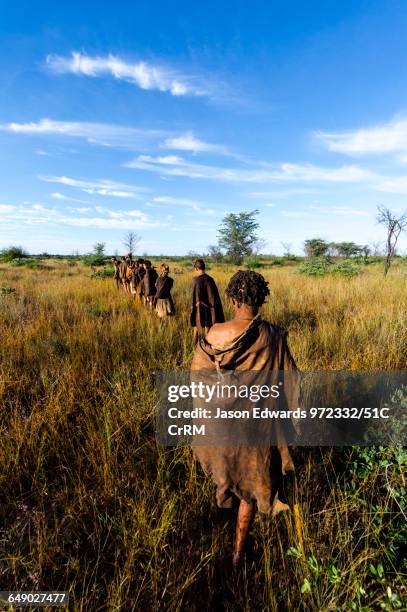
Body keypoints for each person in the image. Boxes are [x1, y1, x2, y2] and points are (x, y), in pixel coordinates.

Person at [191, 270, 300, 568]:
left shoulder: (213, 334)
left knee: (228, 475)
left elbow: (198, 383)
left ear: (232, 299)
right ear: (261, 300)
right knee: (249, 493)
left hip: (222, 429)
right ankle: (238, 552)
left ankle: (230, 529)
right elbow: (291, 382)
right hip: (256, 432)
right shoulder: (273, 336)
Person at [190, 258, 224, 342]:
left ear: (196, 268)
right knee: (208, 326)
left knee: (196, 326)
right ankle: (207, 344)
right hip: (209, 308)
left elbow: (194, 297)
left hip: (198, 307)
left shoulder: (195, 280)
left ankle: (195, 344)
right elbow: (214, 296)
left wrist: (192, 307)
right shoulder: (210, 279)